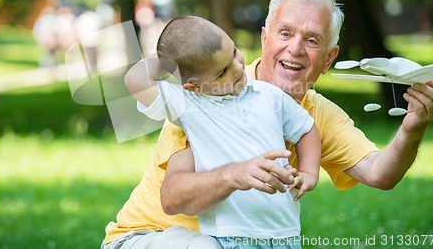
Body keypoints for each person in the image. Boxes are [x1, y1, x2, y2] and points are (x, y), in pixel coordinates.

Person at [101, 0, 433, 249]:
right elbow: (173, 198)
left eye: (312, 40)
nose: (295, 49)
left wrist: (413, 126)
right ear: (264, 38)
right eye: (285, 33)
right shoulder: (205, 95)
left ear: (329, 58)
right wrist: (237, 173)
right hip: (147, 238)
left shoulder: (315, 114)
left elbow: (380, 173)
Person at [123, 16, 321, 248]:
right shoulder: (188, 104)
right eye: (222, 71)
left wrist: (308, 173)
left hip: (285, 229)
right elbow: (135, 80)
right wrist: (175, 55)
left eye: (234, 52)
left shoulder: (269, 95)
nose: (237, 68)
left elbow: (306, 128)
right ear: (194, 85)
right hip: (230, 235)